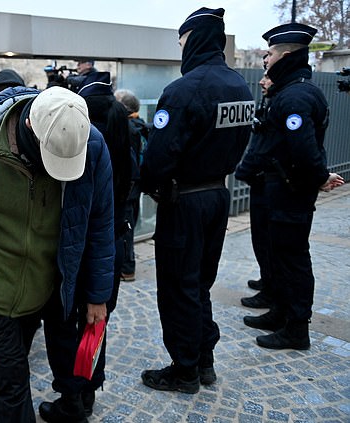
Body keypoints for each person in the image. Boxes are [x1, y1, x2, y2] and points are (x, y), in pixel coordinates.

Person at [0, 85, 115, 423]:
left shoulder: (91, 144)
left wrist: (97, 295)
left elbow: (100, 223)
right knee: (14, 374)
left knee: (10, 361)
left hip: (46, 288)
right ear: (30, 127)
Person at [139, 7, 255, 394]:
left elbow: (157, 157)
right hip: (218, 196)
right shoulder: (239, 86)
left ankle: (184, 369)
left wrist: (149, 184)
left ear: (194, 39)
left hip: (184, 202)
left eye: (182, 41)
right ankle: (204, 360)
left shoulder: (183, 90)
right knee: (200, 283)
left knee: (178, 285)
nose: (180, 48)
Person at [235, 23, 344, 350]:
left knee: (293, 259)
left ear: (286, 55)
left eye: (269, 53)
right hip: (280, 189)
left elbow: (304, 150)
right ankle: (281, 311)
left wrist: (320, 177)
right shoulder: (289, 91)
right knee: (280, 256)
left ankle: (296, 328)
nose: (265, 60)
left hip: (289, 191)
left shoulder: (296, 96)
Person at [39, 71, 131, 422]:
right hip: (114, 237)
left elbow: (91, 218)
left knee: (64, 326)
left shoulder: (87, 139)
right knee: (95, 323)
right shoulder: (122, 126)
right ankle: (88, 390)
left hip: (85, 241)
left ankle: (72, 399)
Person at [236, 72, 275, 310]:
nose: (262, 81)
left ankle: (272, 291)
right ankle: (268, 281)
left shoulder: (286, 102)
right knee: (261, 239)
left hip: (270, 184)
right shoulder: (269, 102)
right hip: (262, 183)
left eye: (267, 77)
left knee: (269, 242)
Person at [114, 88, 150, 282]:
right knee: (131, 222)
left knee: (126, 226)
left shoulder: (128, 129)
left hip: (128, 186)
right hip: (136, 186)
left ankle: (127, 268)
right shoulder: (141, 125)